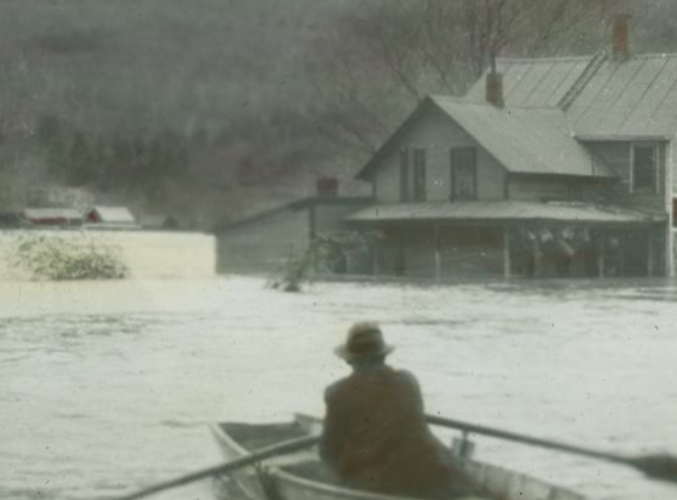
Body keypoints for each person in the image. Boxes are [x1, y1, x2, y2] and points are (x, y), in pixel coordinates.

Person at [319, 322, 484, 500]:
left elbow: (328, 450)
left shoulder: (337, 393)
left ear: (350, 360)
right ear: (383, 356)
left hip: (379, 483)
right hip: (435, 471)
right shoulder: (407, 381)